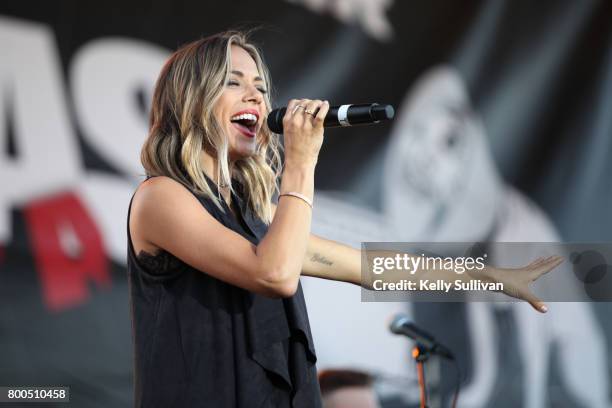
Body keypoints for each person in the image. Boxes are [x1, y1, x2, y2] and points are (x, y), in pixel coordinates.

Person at [126, 30, 564, 407]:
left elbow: (373, 268)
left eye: (261, 86)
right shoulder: (160, 198)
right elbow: (275, 274)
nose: (257, 96)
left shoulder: (257, 223)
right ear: (191, 99)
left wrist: (495, 277)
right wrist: (300, 162)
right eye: (233, 82)